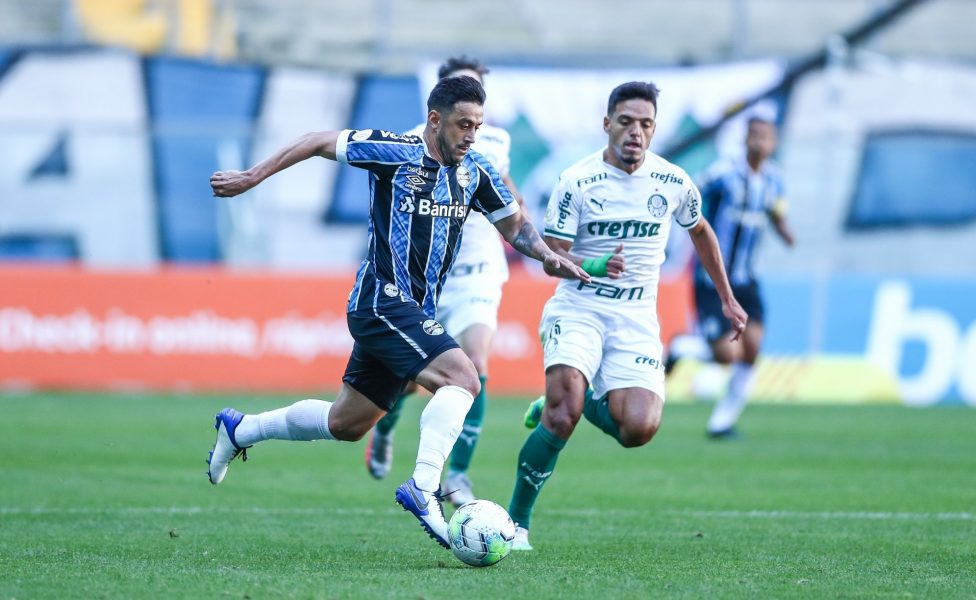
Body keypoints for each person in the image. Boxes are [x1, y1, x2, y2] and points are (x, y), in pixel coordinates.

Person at [205, 75, 589, 551]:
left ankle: (241, 428)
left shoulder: (476, 171)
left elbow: (515, 226)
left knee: (346, 424)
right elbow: (316, 140)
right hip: (381, 300)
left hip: (413, 311)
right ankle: (424, 487)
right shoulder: (394, 151)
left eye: (477, 125)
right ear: (435, 119)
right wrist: (251, 177)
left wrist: (545, 254)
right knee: (464, 377)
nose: (471, 135)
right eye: (463, 124)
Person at [508, 82, 747, 551]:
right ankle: (515, 525)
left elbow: (700, 231)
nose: (635, 132)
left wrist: (726, 296)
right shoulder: (576, 180)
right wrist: (596, 265)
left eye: (645, 124)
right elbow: (550, 255)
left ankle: (569, 401)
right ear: (607, 124)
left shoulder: (672, 181)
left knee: (638, 429)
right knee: (561, 417)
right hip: (579, 307)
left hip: (635, 317)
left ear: (654, 129)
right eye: (626, 122)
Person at [365, 57, 522, 509]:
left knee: (476, 363)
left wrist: (525, 225)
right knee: (409, 382)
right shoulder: (413, 142)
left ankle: (458, 474)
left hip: (478, 269)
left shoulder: (495, 140)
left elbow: (504, 190)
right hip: (427, 278)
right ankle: (385, 428)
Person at [695, 115, 795, 438]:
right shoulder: (722, 173)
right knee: (727, 355)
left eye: (766, 136)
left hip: (747, 277)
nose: (759, 141)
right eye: (755, 135)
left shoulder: (775, 180)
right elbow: (689, 195)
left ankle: (722, 422)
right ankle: (682, 349)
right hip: (713, 277)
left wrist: (785, 231)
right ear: (745, 138)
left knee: (752, 348)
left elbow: (777, 212)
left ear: (774, 142)